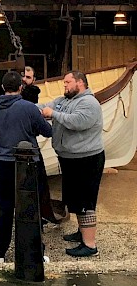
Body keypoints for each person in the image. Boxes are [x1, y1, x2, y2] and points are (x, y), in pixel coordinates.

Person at [0, 70, 53, 263]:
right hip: (27, 164)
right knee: (31, 209)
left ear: (3, 88)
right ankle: (34, 252)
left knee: (2, 209)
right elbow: (47, 131)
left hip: (3, 163)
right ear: (21, 88)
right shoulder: (28, 108)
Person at [40, 71, 104, 258]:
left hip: (86, 160)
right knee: (75, 199)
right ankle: (81, 232)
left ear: (80, 83)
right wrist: (26, 108)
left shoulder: (89, 103)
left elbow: (78, 122)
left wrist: (53, 114)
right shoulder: (64, 100)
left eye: (67, 82)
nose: (64, 85)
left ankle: (90, 245)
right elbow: (45, 106)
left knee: (85, 201)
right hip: (70, 159)